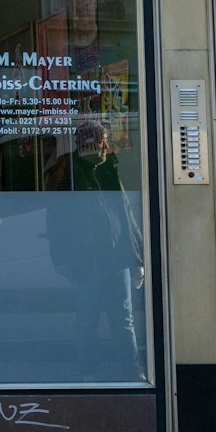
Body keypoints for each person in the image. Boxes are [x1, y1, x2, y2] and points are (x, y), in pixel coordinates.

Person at [48, 118, 146, 382]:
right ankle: (87, 372)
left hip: (116, 261)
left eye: (105, 141)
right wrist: (60, 259)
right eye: (102, 141)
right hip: (84, 262)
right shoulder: (69, 172)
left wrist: (137, 259)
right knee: (87, 320)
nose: (106, 146)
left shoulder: (108, 169)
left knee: (123, 320)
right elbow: (55, 219)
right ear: (89, 144)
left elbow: (125, 215)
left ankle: (131, 372)